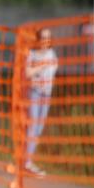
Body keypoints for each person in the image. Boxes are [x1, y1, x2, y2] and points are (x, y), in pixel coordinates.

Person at [24, 27, 58, 177]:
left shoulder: (52, 54)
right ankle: (26, 162)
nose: (45, 40)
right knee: (32, 127)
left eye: (48, 37)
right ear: (37, 39)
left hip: (46, 95)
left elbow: (53, 72)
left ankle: (26, 159)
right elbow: (28, 73)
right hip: (34, 93)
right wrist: (42, 64)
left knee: (38, 129)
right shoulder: (31, 54)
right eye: (43, 37)